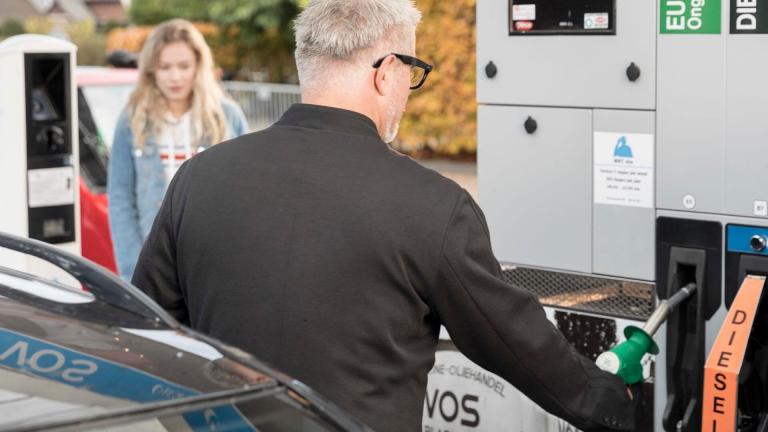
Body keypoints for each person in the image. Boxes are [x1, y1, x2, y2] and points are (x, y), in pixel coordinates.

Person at [131, 1, 638, 431]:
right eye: (411, 75)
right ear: (385, 71)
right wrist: (614, 401)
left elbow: (145, 327)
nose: (407, 93)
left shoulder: (198, 179)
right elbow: (515, 342)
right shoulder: (432, 205)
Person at [108, 19, 248, 280]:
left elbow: (246, 193)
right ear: (151, 69)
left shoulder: (227, 116)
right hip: (154, 262)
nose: (175, 77)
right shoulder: (132, 119)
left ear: (198, 66)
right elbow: (120, 198)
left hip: (215, 260)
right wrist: (132, 270)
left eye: (184, 66)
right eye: (165, 67)